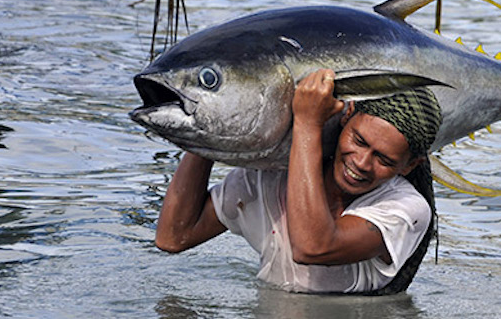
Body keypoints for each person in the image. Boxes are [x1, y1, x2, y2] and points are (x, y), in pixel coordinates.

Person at [154, 68, 441, 294]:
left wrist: (307, 122)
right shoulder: (269, 180)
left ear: (410, 166)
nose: (362, 163)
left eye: (384, 160)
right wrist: (206, 130)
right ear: (347, 116)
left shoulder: (407, 209)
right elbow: (173, 237)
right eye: (359, 140)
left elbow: (313, 246)